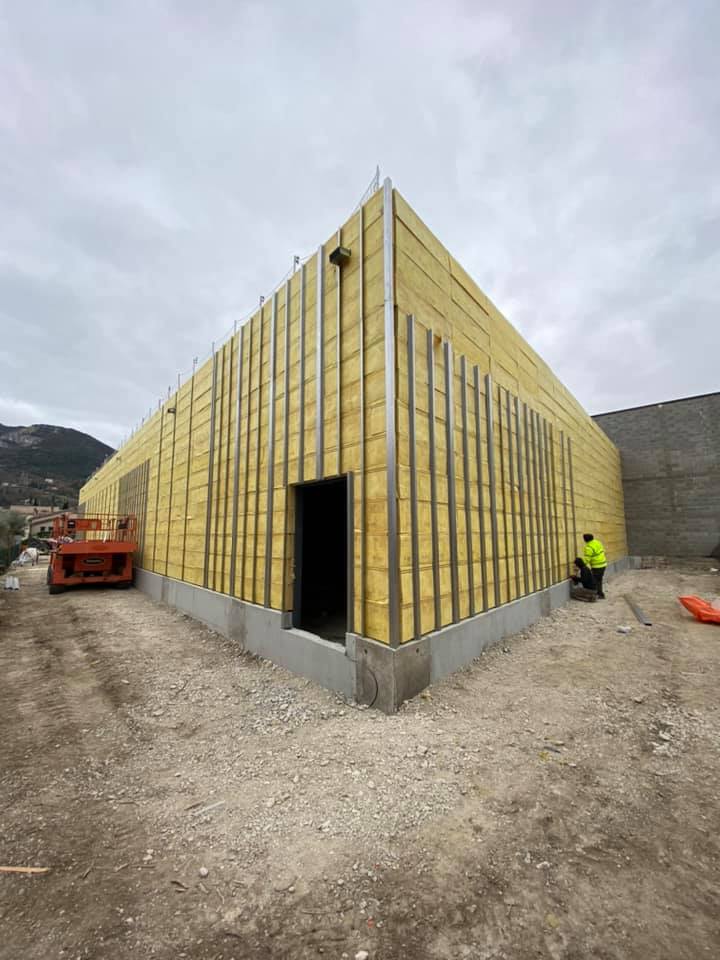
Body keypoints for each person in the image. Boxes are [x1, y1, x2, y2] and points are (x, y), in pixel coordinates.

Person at [583, 533, 607, 598]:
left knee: (594, 581)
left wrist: (581, 565)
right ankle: (600, 594)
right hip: (603, 564)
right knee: (599, 579)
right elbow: (603, 551)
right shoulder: (598, 542)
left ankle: (597, 594)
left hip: (597, 566)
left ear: (585, 540)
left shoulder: (588, 547)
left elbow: (587, 559)